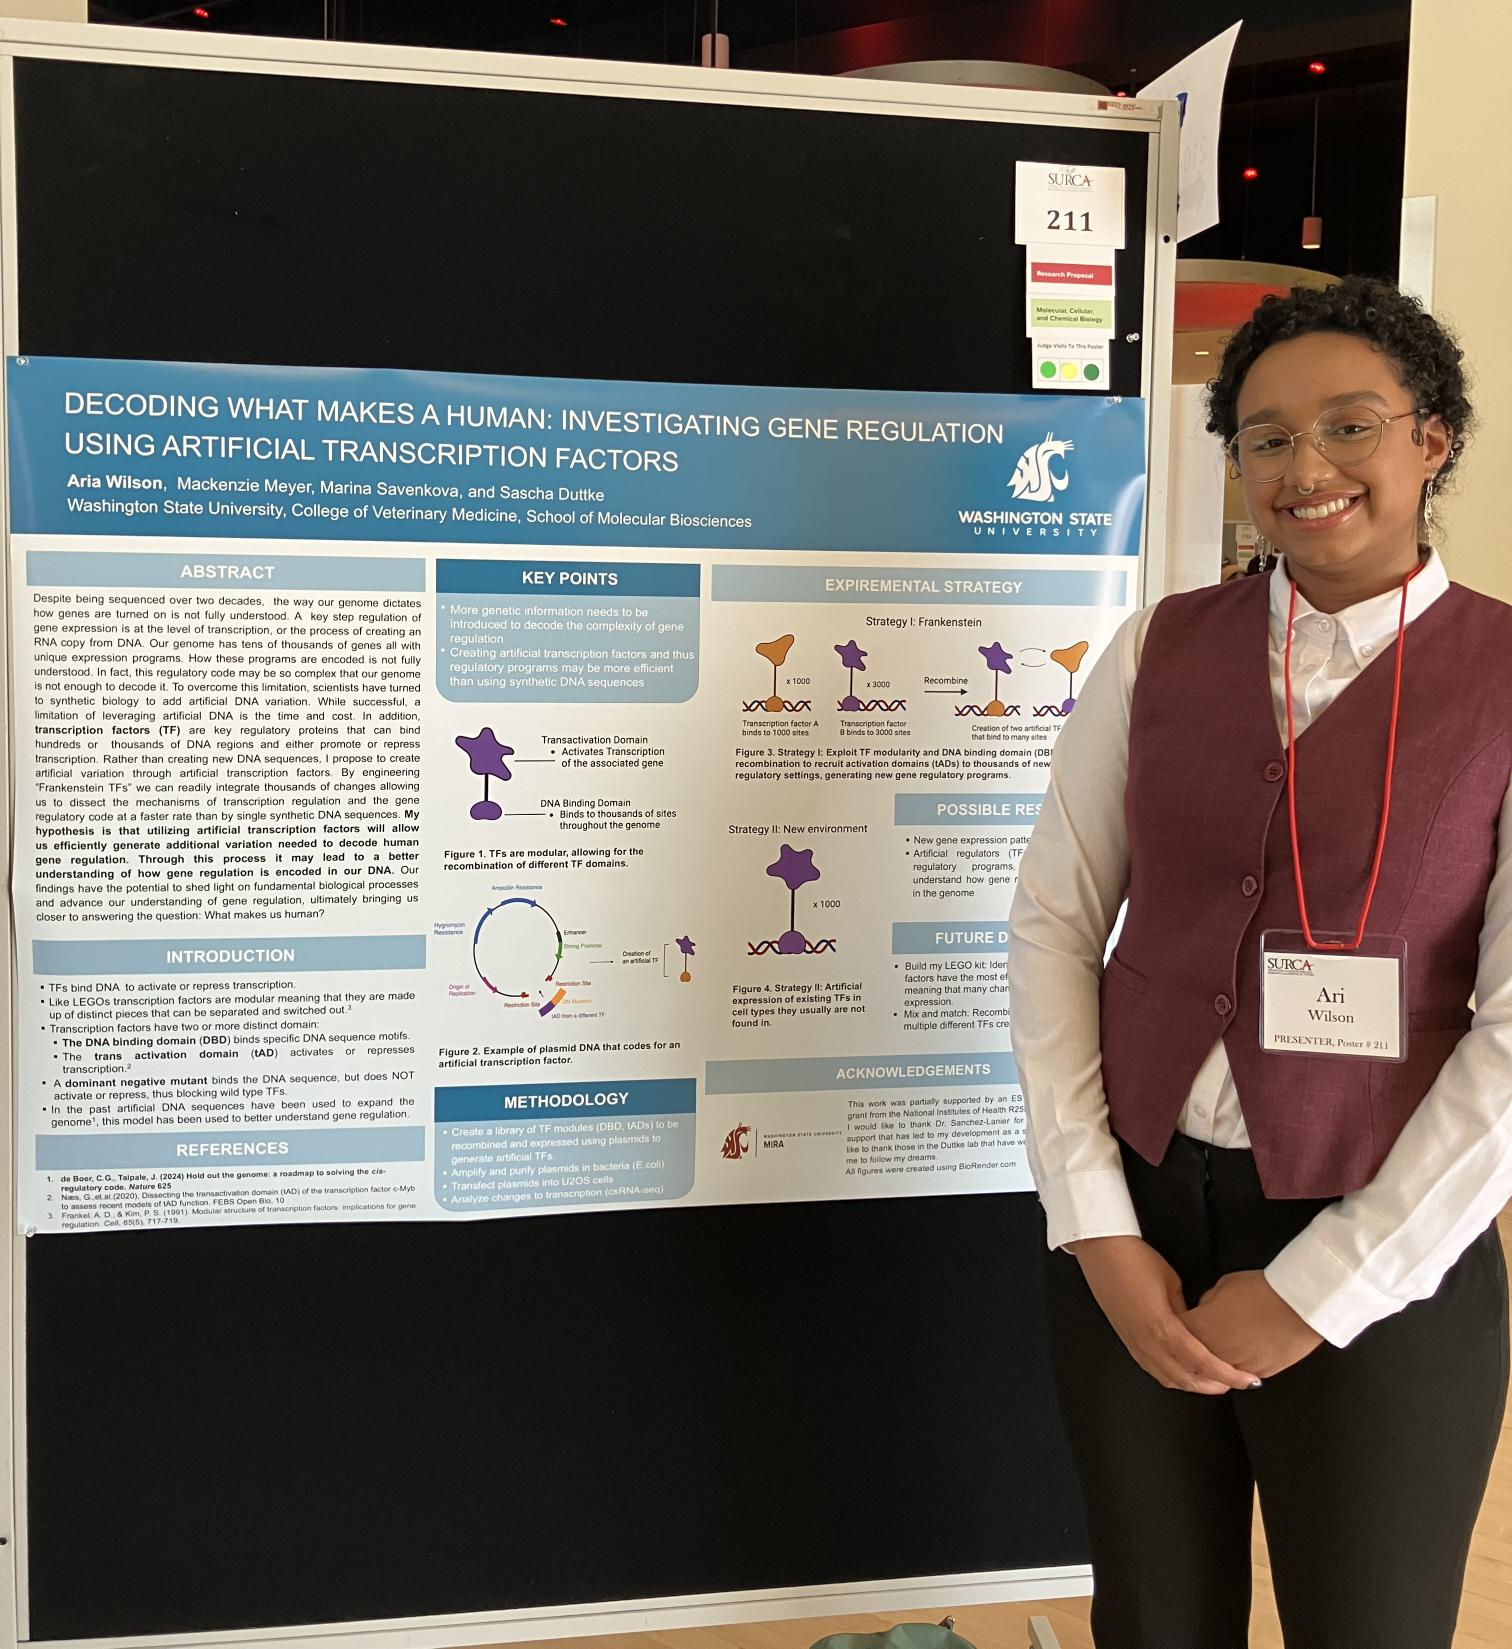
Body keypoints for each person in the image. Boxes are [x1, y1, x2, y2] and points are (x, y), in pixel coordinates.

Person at [1007, 274, 1512, 1648]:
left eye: (1352, 424)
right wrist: (1095, 1223)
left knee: (1370, 1623)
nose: (1309, 469)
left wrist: (1319, 1287)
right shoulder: (1157, 649)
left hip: (1381, 1236)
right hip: (1144, 1219)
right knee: (1155, 1619)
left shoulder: (1506, 673)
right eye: (1268, 437)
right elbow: (1055, 916)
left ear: (1435, 437)